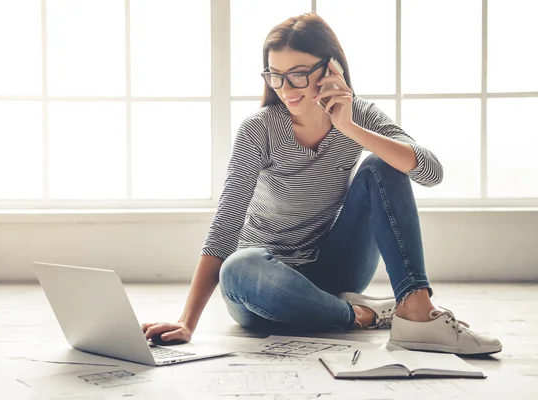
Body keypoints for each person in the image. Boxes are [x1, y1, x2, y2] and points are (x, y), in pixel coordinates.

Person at [142, 13, 501, 355]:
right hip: (264, 283)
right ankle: (362, 315)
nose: (285, 88)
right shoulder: (259, 129)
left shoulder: (358, 115)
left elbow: (430, 172)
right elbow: (225, 226)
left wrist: (349, 128)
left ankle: (417, 311)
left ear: (332, 69)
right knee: (237, 267)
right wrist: (186, 322)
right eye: (275, 75)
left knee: (384, 163)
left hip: (335, 269)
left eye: (298, 74)